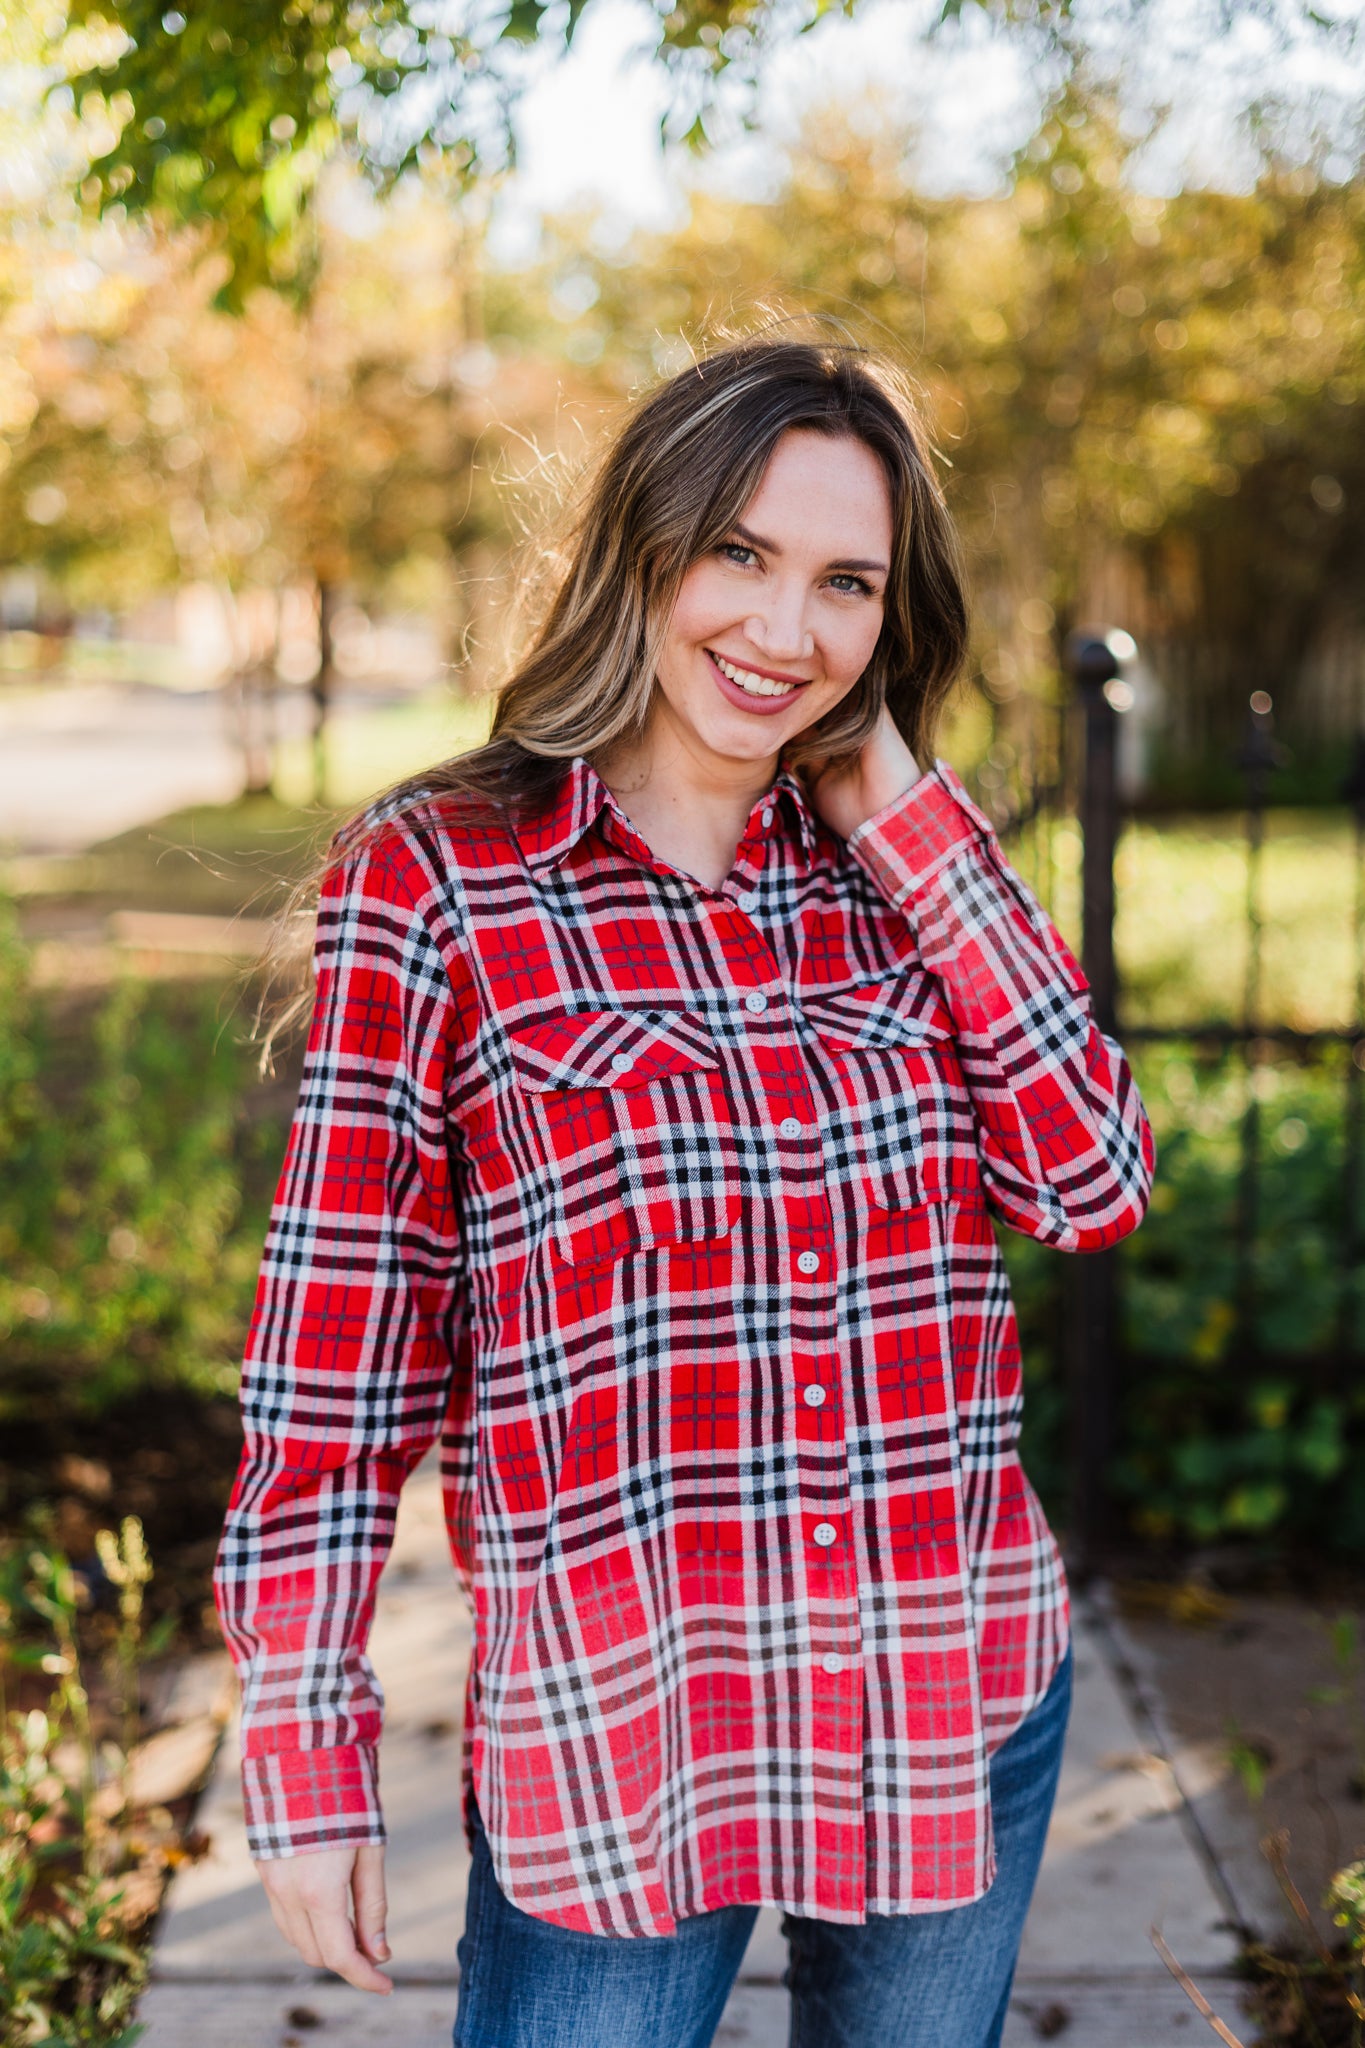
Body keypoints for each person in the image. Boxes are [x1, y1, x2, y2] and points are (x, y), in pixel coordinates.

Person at [215, 334, 1154, 2048]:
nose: (783, 630)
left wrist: (891, 799)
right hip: (628, 1732)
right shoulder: (439, 884)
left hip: (942, 1686)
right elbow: (334, 1378)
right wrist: (304, 1745)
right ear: (645, 549)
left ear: (890, 617)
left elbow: (1088, 1182)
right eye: (739, 552)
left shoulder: (910, 883)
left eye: (842, 582)